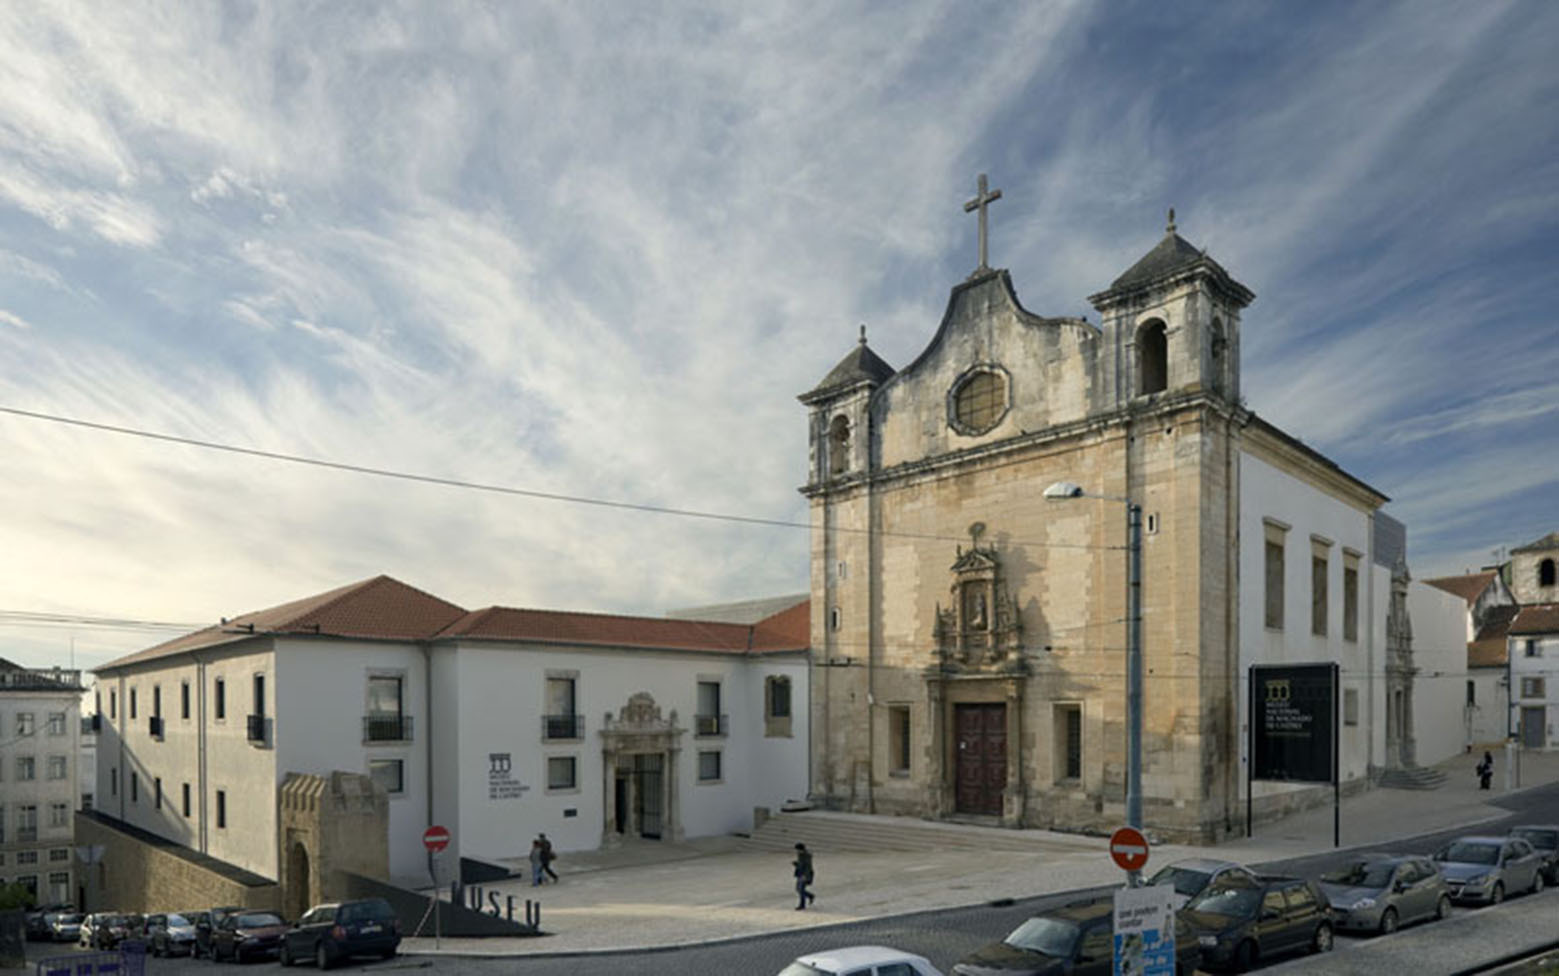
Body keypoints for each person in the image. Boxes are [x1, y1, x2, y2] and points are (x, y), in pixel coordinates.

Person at [792, 842, 815, 910]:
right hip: (800, 873)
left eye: (797, 849)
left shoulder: (807, 856)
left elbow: (808, 867)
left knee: (801, 889)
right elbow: (801, 864)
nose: (796, 851)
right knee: (798, 889)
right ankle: (810, 896)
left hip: (805, 874)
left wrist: (805, 876)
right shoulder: (800, 854)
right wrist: (796, 864)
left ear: (800, 849)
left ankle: (802, 905)